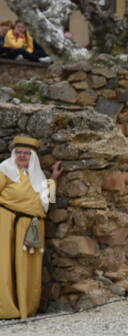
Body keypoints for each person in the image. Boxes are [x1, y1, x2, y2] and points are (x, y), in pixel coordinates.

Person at [0, 136, 63, 318]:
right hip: (6, 221)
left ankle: (26, 307)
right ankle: (6, 309)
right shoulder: (5, 170)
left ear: (32, 156)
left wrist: (53, 178)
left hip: (32, 226)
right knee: (4, 264)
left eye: (26, 153)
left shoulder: (38, 175)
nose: (22, 156)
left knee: (28, 266)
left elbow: (47, 201)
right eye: (18, 152)